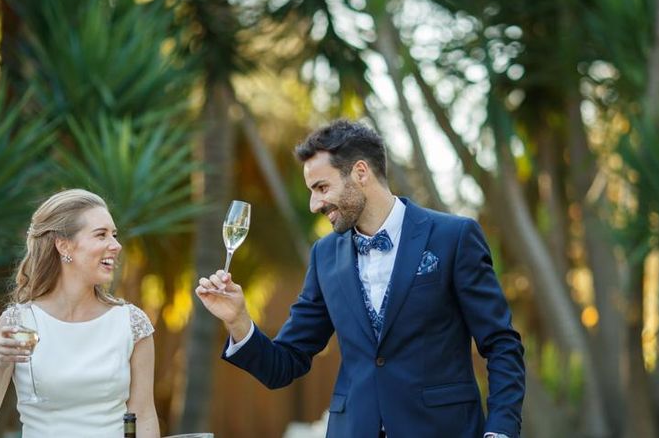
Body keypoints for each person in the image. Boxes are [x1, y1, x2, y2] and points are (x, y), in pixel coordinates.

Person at [196, 120, 525, 438]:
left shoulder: (453, 237)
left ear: (360, 172)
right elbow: (284, 364)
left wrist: (500, 431)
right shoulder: (324, 255)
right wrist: (238, 320)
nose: (314, 204)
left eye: (322, 187)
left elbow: (501, 344)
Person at [0, 189, 159, 437]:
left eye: (114, 234)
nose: (116, 245)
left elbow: (143, 415)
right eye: (101, 235)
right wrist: (1, 365)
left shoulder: (132, 324)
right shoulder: (18, 324)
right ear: (64, 245)